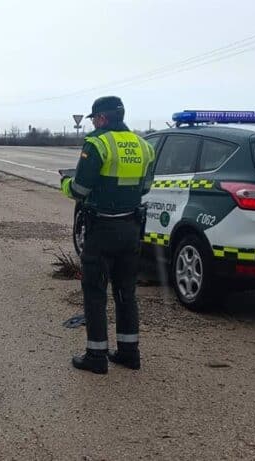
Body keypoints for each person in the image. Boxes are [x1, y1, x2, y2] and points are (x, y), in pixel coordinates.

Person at [60, 96, 155, 374]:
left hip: (102, 228)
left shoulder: (97, 143)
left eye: (94, 119)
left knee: (95, 292)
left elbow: (80, 190)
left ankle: (96, 356)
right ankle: (129, 352)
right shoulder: (144, 146)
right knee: (126, 292)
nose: (94, 123)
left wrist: (64, 183)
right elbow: (145, 188)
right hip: (131, 228)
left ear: (101, 118)